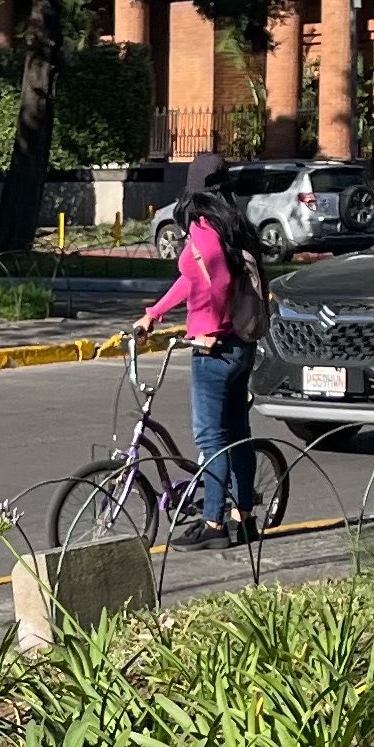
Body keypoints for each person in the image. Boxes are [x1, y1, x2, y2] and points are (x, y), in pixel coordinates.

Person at [134, 190, 265, 551]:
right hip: (241, 345)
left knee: (211, 438)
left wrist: (212, 328)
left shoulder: (203, 228)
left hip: (216, 349)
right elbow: (193, 280)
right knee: (237, 432)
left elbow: (217, 282)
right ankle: (243, 518)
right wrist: (154, 313)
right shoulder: (229, 227)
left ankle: (213, 523)